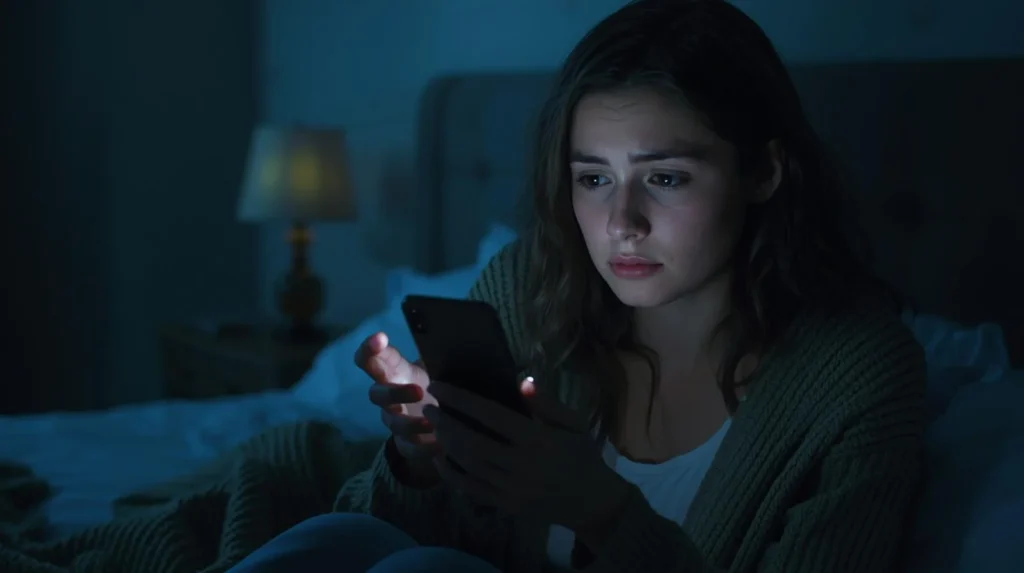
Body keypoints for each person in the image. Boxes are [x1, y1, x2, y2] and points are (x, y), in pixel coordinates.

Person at [229, 0, 927, 571]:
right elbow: (402, 531)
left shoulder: (856, 377)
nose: (621, 222)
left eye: (666, 177)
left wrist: (601, 508)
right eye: (593, 178)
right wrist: (418, 460)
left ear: (763, 173)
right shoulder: (528, 291)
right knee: (340, 541)